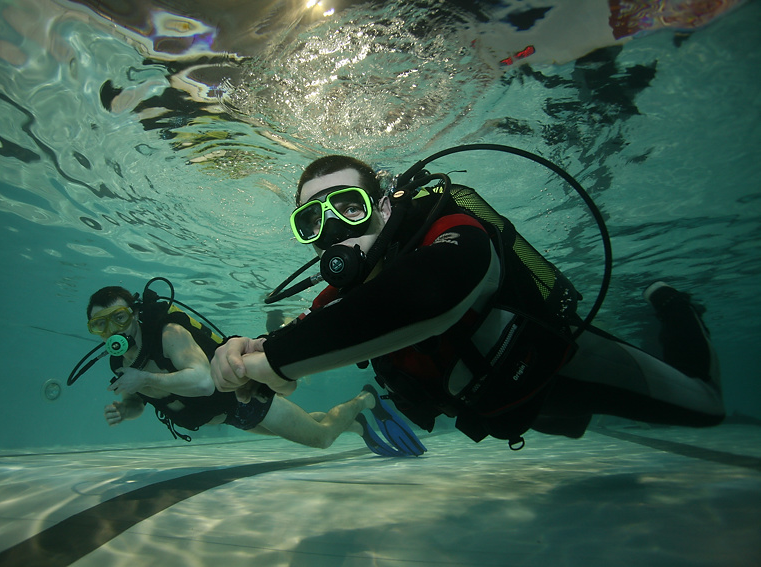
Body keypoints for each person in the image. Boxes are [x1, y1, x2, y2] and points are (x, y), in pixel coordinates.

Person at [210, 154, 725, 449]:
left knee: (705, 406)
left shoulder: (452, 231)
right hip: (510, 402)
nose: (335, 231)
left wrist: (273, 360)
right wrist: (247, 351)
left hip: (567, 365)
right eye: (313, 222)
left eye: (350, 206)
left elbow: (431, 294)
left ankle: (677, 309)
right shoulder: (340, 300)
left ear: (385, 206)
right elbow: (308, 337)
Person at [83, 284, 425, 456]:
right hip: (232, 416)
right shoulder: (120, 361)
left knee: (320, 438)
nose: (113, 330)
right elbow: (142, 400)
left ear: (135, 313)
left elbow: (202, 381)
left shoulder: (168, 334)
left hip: (243, 400)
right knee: (308, 425)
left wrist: (144, 378)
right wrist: (124, 409)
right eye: (100, 325)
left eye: (119, 318)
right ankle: (356, 424)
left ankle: (364, 400)